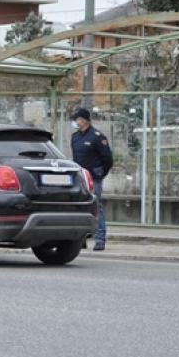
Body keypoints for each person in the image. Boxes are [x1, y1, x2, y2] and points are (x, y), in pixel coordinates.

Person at [70, 108, 113, 251]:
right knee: (78, 209)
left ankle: (100, 239)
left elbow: (107, 159)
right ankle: (80, 239)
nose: (75, 122)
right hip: (80, 179)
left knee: (96, 208)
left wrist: (100, 173)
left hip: (93, 178)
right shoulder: (75, 137)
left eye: (77, 119)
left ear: (84, 120)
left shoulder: (97, 137)